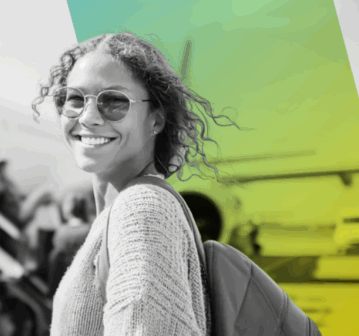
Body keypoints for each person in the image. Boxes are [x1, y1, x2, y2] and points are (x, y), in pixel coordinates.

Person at [33, 32, 236, 335]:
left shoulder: (140, 210)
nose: (88, 117)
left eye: (114, 101)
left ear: (156, 120)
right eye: (74, 99)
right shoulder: (118, 212)